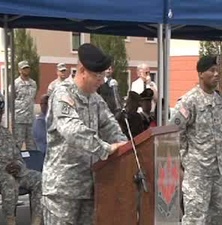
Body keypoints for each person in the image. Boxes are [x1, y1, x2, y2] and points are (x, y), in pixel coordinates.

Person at [42, 43, 128, 225]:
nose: (102, 81)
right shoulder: (62, 94)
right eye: (98, 75)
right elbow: (72, 130)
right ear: (82, 71)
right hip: (62, 191)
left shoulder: (96, 100)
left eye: (104, 75)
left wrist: (125, 149)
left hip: (90, 187)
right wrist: (106, 148)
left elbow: (111, 127)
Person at [170, 55, 222, 224]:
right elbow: (172, 134)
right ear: (201, 74)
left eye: (218, 70)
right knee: (195, 219)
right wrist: (178, 165)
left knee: (218, 218)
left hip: (217, 171)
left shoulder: (218, 100)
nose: (216, 74)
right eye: (212, 70)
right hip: (197, 172)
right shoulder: (189, 101)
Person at [0, 93, 43, 225]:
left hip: (15, 172)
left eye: (0, 110)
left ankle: (36, 221)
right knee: (9, 181)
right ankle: (10, 221)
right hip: (3, 175)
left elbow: (18, 156)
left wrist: (18, 166)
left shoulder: (5, 133)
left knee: (38, 179)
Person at [13, 60, 37, 150]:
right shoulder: (15, 84)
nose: (26, 70)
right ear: (20, 70)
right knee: (18, 144)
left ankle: (32, 163)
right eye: (24, 68)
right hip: (19, 119)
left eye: (27, 68)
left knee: (32, 145)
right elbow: (11, 100)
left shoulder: (33, 83)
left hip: (30, 119)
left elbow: (33, 98)